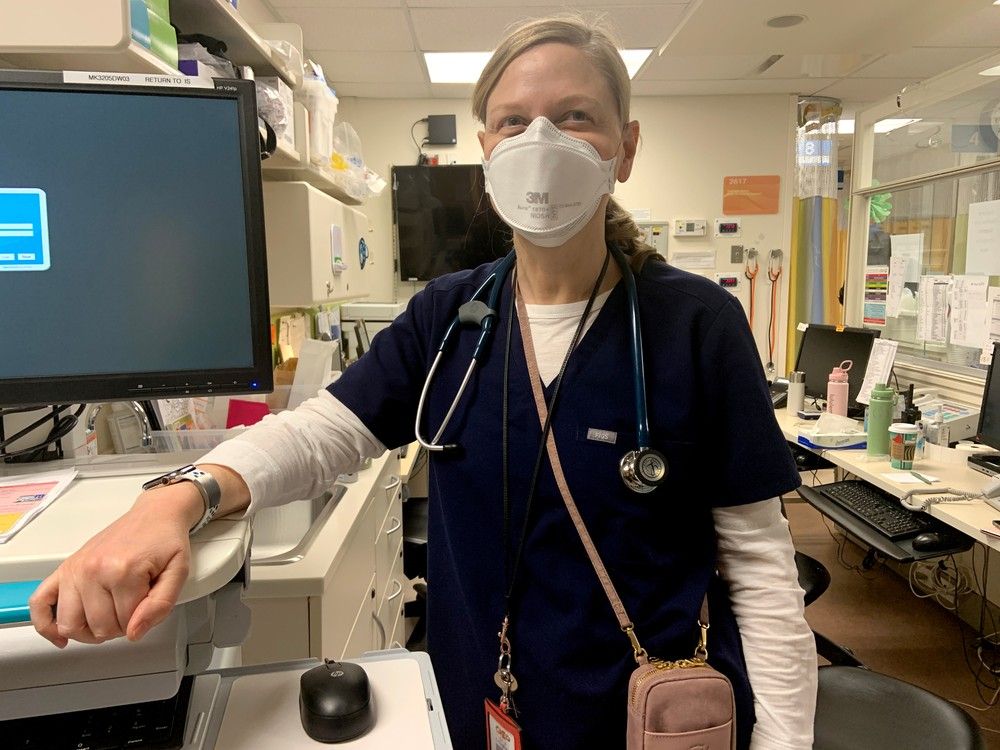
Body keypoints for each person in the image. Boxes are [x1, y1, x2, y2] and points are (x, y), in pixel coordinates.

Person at [30, 15, 817, 750]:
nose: (541, 139)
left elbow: (760, 568)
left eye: (575, 116)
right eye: (514, 122)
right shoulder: (452, 315)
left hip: (652, 716)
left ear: (627, 146)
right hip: (481, 705)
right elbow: (324, 431)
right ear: (487, 149)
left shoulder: (696, 324)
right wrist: (179, 496)